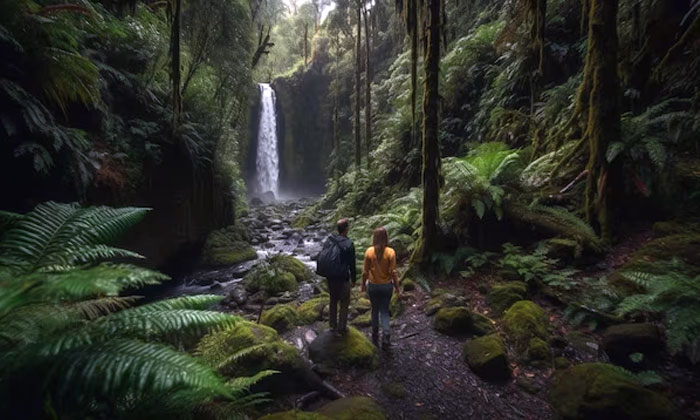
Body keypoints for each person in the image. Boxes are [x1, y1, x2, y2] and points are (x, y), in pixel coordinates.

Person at [361, 227, 399, 347]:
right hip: (386, 286)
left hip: (373, 286)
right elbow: (393, 272)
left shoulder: (369, 252)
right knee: (384, 310)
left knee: (374, 310)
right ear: (386, 237)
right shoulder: (391, 252)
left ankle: (375, 333)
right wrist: (397, 288)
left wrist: (362, 285)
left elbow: (365, 272)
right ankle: (386, 335)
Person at [323, 218, 356, 334]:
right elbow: (352, 263)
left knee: (333, 300)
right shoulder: (349, 243)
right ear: (346, 229)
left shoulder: (331, 241)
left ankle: (332, 325)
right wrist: (354, 279)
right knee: (344, 301)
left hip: (331, 277)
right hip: (343, 277)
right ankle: (342, 327)